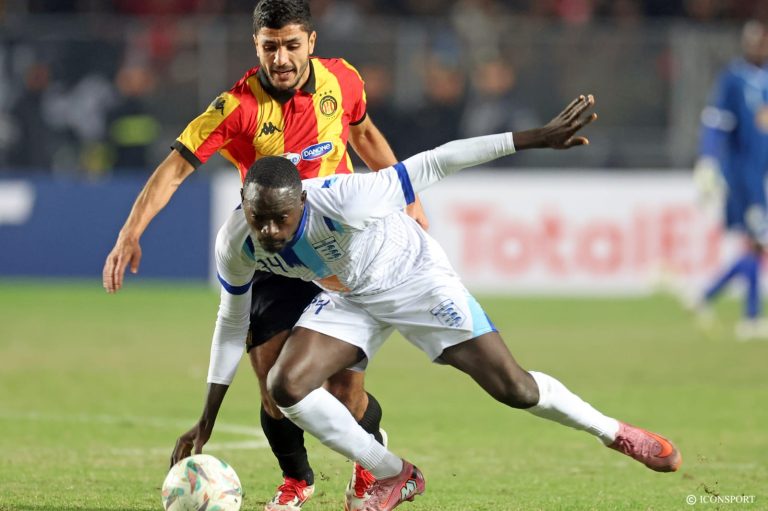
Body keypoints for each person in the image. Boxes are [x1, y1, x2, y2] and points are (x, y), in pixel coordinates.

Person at [208, 94, 681, 511]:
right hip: (351, 297)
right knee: (286, 385)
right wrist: (206, 418)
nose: (269, 231)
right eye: (258, 218)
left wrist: (533, 138)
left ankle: (614, 432)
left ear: (302, 204)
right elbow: (231, 323)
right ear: (244, 203)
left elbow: (437, 162)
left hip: (415, 281)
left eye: (281, 219)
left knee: (514, 388)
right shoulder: (236, 242)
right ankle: (394, 472)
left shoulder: (347, 200)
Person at [101, 1, 428, 509]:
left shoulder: (343, 80)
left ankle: (371, 457)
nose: (281, 57)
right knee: (273, 382)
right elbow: (175, 169)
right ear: (256, 45)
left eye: (291, 45)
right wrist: (130, 232)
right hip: (276, 251)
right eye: (270, 46)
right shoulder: (235, 107)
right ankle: (297, 478)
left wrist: (410, 199)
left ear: (311, 42)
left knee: (344, 392)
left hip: (339, 253)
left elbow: (363, 133)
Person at [692, 20, 768, 340]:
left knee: (756, 246)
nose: (758, 47)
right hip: (743, 177)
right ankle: (750, 317)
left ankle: (707, 295)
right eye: (754, 42)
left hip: (761, 176)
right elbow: (716, 123)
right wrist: (708, 160)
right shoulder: (734, 79)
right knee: (758, 243)